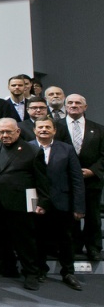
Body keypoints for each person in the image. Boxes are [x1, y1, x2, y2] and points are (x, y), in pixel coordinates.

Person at [0, 118, 50, 290]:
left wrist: (42, 202)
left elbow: (42, 180)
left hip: (21, 203)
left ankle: (31, 273)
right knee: (0, 238)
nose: (4, 135)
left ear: (18, 132)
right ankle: (8, 267)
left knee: (24, 241)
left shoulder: (33, 151)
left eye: (8, 132)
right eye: (1, 132)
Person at [32, 117, 85, 290]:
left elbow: (77, 179)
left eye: (48, 127)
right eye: (40, 127)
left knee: (65, 239)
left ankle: (68, 272)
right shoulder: (28, 148)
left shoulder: (67, 149)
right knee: (38, 238)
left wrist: (79, 206)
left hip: (62, 203)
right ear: (34, 130)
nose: (44, 130)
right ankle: (40, 269)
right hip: (37, 203)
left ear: (54, 130)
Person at [58, 94, 104, 262]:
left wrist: (92, 171)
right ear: (65, 106)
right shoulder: (56, 127)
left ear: (85, 107)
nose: (74, 105)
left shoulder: (99, 129)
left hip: (91, 180)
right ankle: (73, 246)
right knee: (70, 216)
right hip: (66, 180)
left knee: (93, 216)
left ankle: (93, 247)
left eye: (78, 103)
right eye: (70, 102)